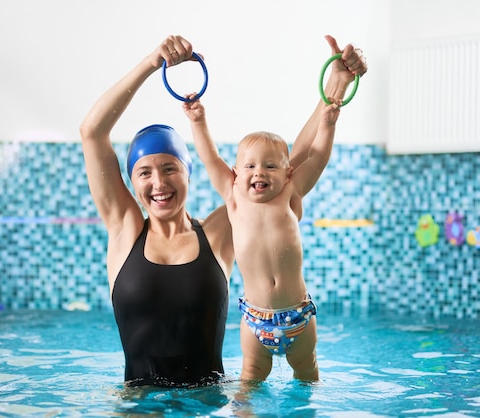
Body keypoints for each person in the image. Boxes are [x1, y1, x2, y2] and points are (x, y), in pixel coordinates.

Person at [79, 34, 366, 387]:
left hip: (210, 402)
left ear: (188, 172)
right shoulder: (124, 230)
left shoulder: (221, 229)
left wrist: (335, 86)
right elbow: (92, 132)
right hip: (139, 407)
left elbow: (291, 167)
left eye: (170, 168)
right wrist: (152, 63)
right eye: (144, 172)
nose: (159, 183)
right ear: (132, 181)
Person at [182, 35, 366, 382]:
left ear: (287, 173)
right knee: (249, 381)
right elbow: (209, 157)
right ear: (235, 174)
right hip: (255, 320)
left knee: (307, 373)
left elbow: (319, 157)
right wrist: (197, 120)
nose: (258, 173)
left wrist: (328, 125)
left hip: (298, 317)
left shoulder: (291, 194)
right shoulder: (234, 198)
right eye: (249, 166)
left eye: (269, 166)